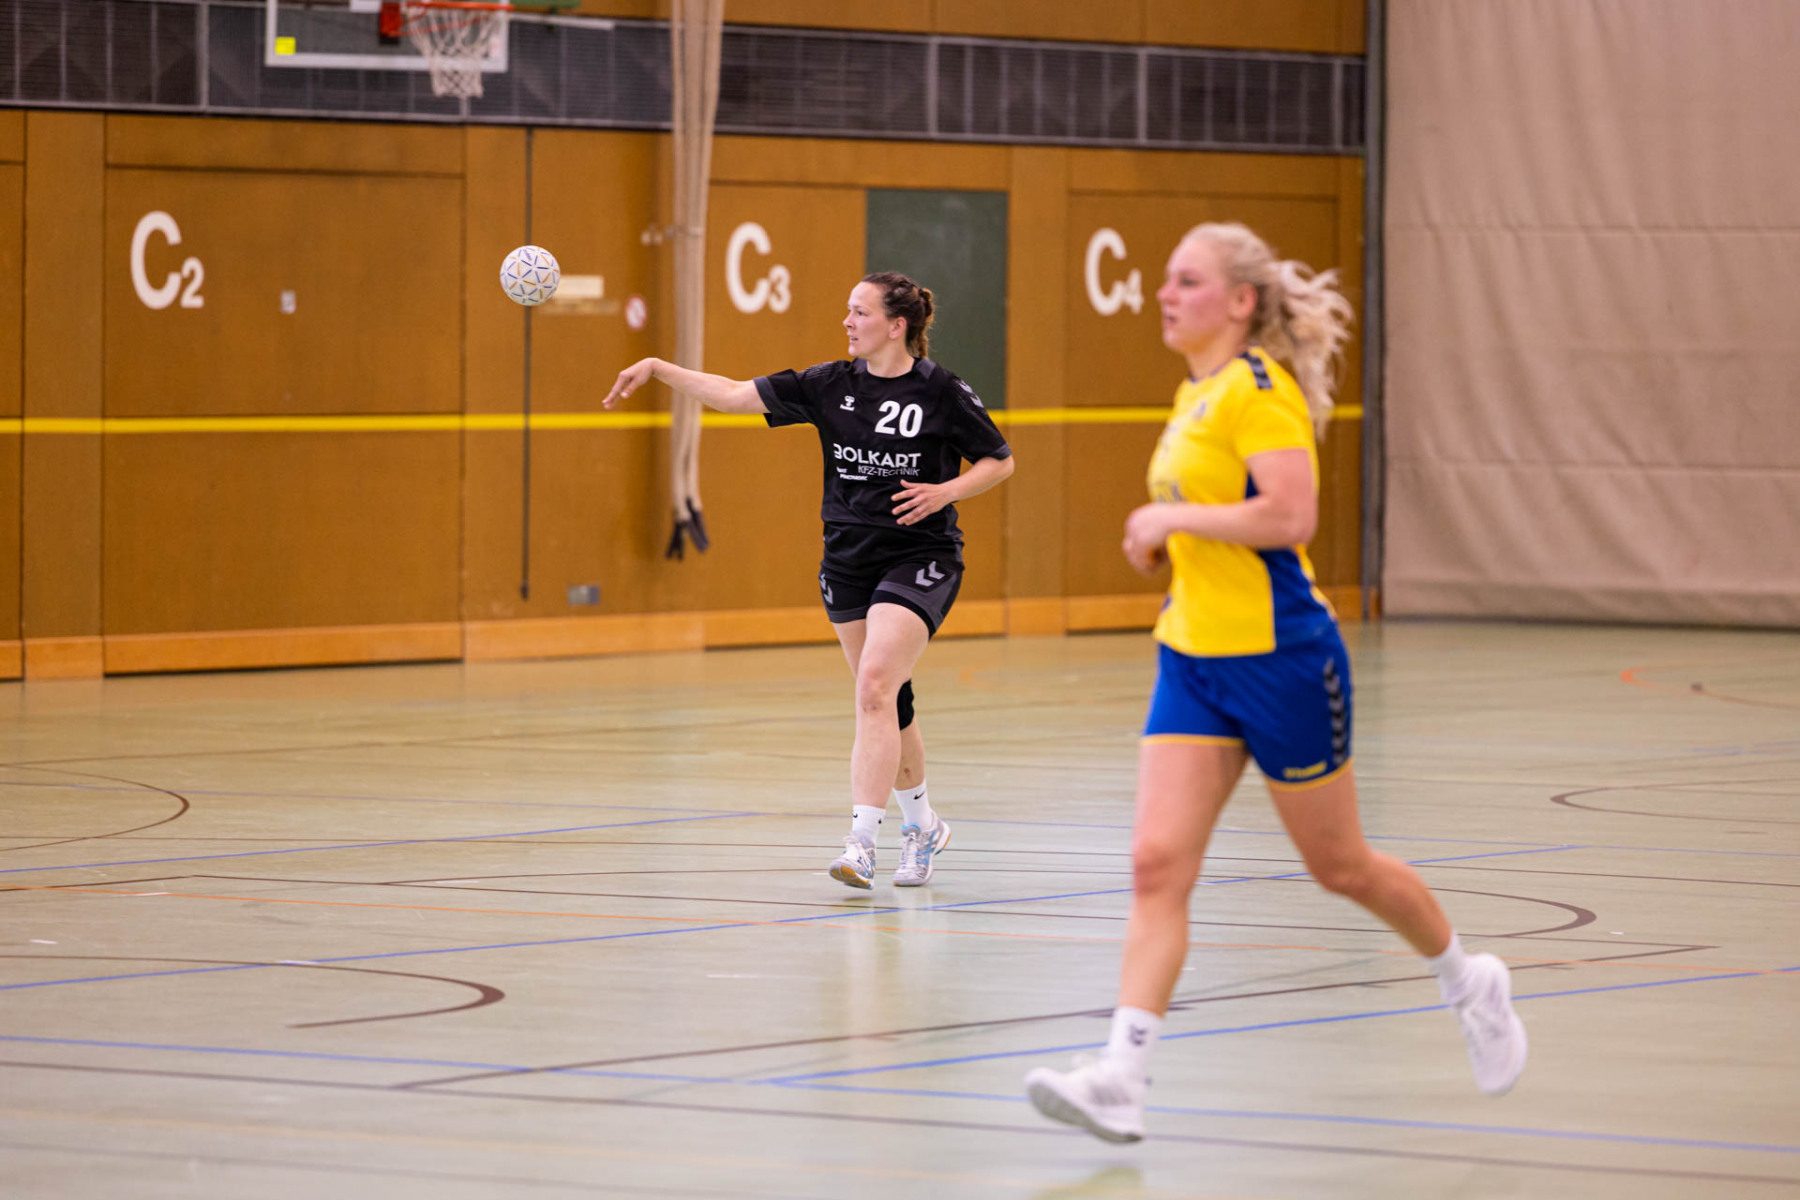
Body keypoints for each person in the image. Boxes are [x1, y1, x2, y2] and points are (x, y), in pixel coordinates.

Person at [1022, 223, 1527, 1143]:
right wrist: (1164, 540)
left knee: (1341, 867)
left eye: (1187, 280)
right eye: (1166, 279)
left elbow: (1291, 516)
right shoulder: (1195, 393)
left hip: (1283, 659)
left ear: (1241, 300)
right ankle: (1121, 1077)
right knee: (1155, 864)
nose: (1164, 294)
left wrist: (1170, 520)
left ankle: (1469, 981)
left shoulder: (1260, 390)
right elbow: (1217, 521)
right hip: (1192, 658)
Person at [603, 272, 1014, 889]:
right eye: (847, 310)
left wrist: (945, 491)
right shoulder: (830, 384)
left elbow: (999, 460)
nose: (847, 321)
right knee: (887, 700)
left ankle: (861, 844)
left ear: (896, 325)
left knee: (874, 685)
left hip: (919, 555)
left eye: (859, 312)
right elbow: (734, 395)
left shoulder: (941, 391)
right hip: (847, 560)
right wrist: (661, 368)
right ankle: (923, 825)